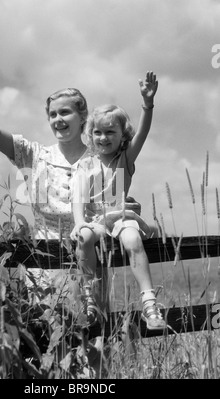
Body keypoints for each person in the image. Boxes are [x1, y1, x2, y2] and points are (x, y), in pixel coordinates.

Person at [0, 31, 90, 287]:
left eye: (65, 112)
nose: (58, 119)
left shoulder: (99, 161)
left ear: (83, 116)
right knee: (45, 326)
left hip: (91, 272)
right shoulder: (34, 156)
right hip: (44, 275)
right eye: (52, 114)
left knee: (92, 328)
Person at [70, 71, 167, 330]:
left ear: (122, 135)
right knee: (84, 238)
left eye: (110, 132)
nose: (103, 137)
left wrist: (147, 103)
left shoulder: (125, 158)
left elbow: (144, 132)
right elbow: (78, 199)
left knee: (133, 240)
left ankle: (149, 304)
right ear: (90, 135)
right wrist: (80, 223)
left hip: (122, 216)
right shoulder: (85, 165)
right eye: (98, 132)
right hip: (94, 218)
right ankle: (90, 299)